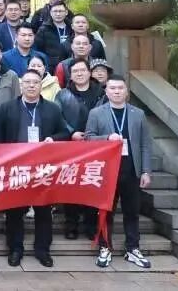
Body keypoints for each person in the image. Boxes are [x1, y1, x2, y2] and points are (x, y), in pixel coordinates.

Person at [0, 69, 71, 268]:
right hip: (16, 168)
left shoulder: (52, 109)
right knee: (14, 211)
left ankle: (43, 250)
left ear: (41, 85)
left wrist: (52, 139)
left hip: (43, 168)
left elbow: (64, 132)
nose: (31, 86)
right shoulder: (7, 108)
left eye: (35, 82)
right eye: (27, 82)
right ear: (21, 85)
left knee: (43, 211)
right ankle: (15, 249)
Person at [86, 74, 153, 269]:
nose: (116, 92)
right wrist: (107, 138)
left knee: (132, 211)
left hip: (131, 169)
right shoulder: (96, 113)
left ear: (126, 91)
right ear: (106, 92)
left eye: (120, 88)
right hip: (107, 170)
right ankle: (105, 247)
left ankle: (132, 248)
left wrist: (146, 171)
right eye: (112, 88)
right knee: (106, 211)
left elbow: (145, 144)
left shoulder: (138, 114)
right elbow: (88, 139)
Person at [57, 58, 106, 240]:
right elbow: (58, 117)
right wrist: (71, 133)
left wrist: (95, 135)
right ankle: (71, 224)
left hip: (97, 146)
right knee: (71, 185)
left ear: (89, 73)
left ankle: (91, 225)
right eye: (75, 71)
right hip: (72, 146)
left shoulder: (102, 93)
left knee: (92, 184)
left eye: (82, 70)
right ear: (70, 75)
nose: (79, 74)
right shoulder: (63, 94)